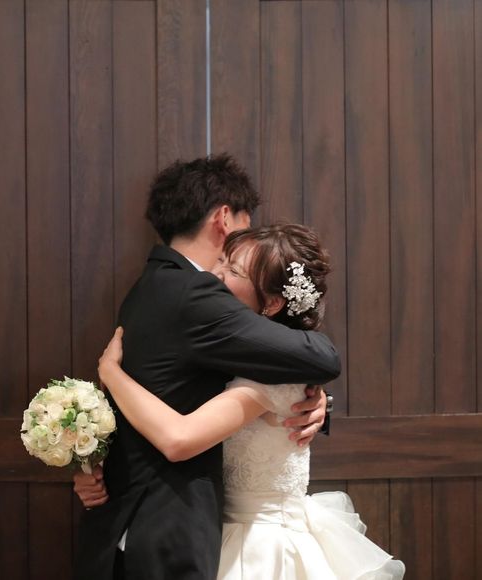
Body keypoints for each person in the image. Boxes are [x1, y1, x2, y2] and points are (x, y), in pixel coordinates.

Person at [73, 155, 341, 580]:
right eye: (245, 226)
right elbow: (322, 358)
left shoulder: (149, 286)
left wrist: (311, 398)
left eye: (234, 270)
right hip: (168, 532)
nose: (223, 272)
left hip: (186, 531)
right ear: (224, 218)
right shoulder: (196, 294)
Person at [97, 222, 405, 579]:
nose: (215, 275)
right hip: (222, 529)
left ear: (272, 303)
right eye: (223, 261)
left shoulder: (268, 380)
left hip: (261, 544)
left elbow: (178, 439)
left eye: (234, 271)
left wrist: (111, 373)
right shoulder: (252, 361)